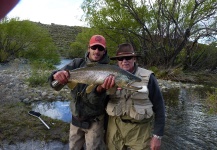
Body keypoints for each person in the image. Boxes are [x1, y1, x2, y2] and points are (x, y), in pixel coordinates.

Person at [48, 35, 115, 150]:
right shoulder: (76, 63)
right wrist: (55, 75)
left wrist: (101, 89)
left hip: (95, 121)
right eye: (94, 47)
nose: (97, 51)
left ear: (105, 51)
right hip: (76, 119)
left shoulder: (108, 71)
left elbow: (95, 100)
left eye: (100, 48)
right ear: (89, 48)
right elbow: (54, 81)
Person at [106, 43, 165, 150]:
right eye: (120, 58)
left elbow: (159, 106)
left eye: (128, 57)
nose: (124, 61)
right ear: (117, 61)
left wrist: (157, 135)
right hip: (115, 127)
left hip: (139, 131)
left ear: (134, 59)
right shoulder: (108, 75)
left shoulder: (148, 77)